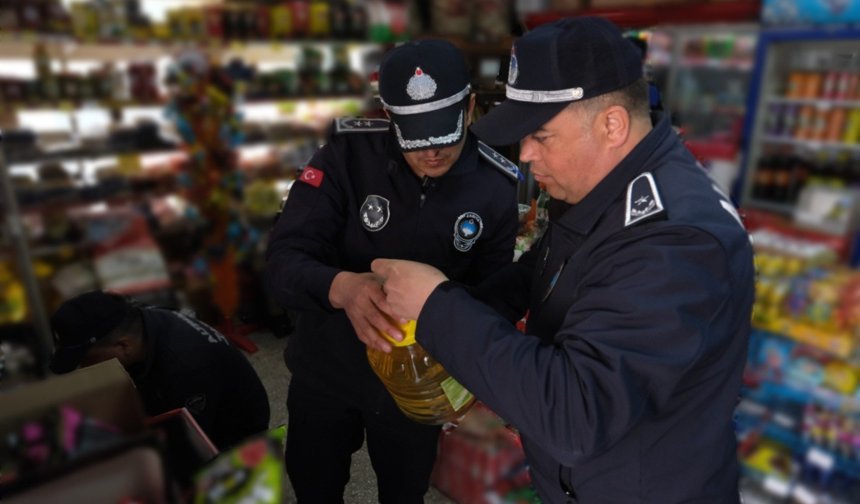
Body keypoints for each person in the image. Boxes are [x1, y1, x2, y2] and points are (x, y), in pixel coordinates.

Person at [372, 17, 755, 504]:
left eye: (542, 136)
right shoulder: (608, 188)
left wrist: (437, 307)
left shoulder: (675, 240)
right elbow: (545, 271)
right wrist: (453, 315)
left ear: (612, 124)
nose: (526, 153)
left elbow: (577, 414)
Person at [265, 39, 520, 503]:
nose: (432, 155)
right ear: (389, 116)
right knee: (313, 486)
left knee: (404, 494)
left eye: (445, 135)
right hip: (327, 370)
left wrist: (466, 369)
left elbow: (496, 296)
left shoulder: (495, 184)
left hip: (415, 393)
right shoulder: (346, 154)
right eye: (415, 139)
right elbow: (283, 259)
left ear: (469, 107)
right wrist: (340, 287)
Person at [48, 290, 270, 451]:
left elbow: (189, 445)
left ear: (124, 346)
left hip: (236, 435)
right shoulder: (141, 321)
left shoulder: (184, 367)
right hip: (200, 400)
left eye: (87, 359)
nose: (83, 368)